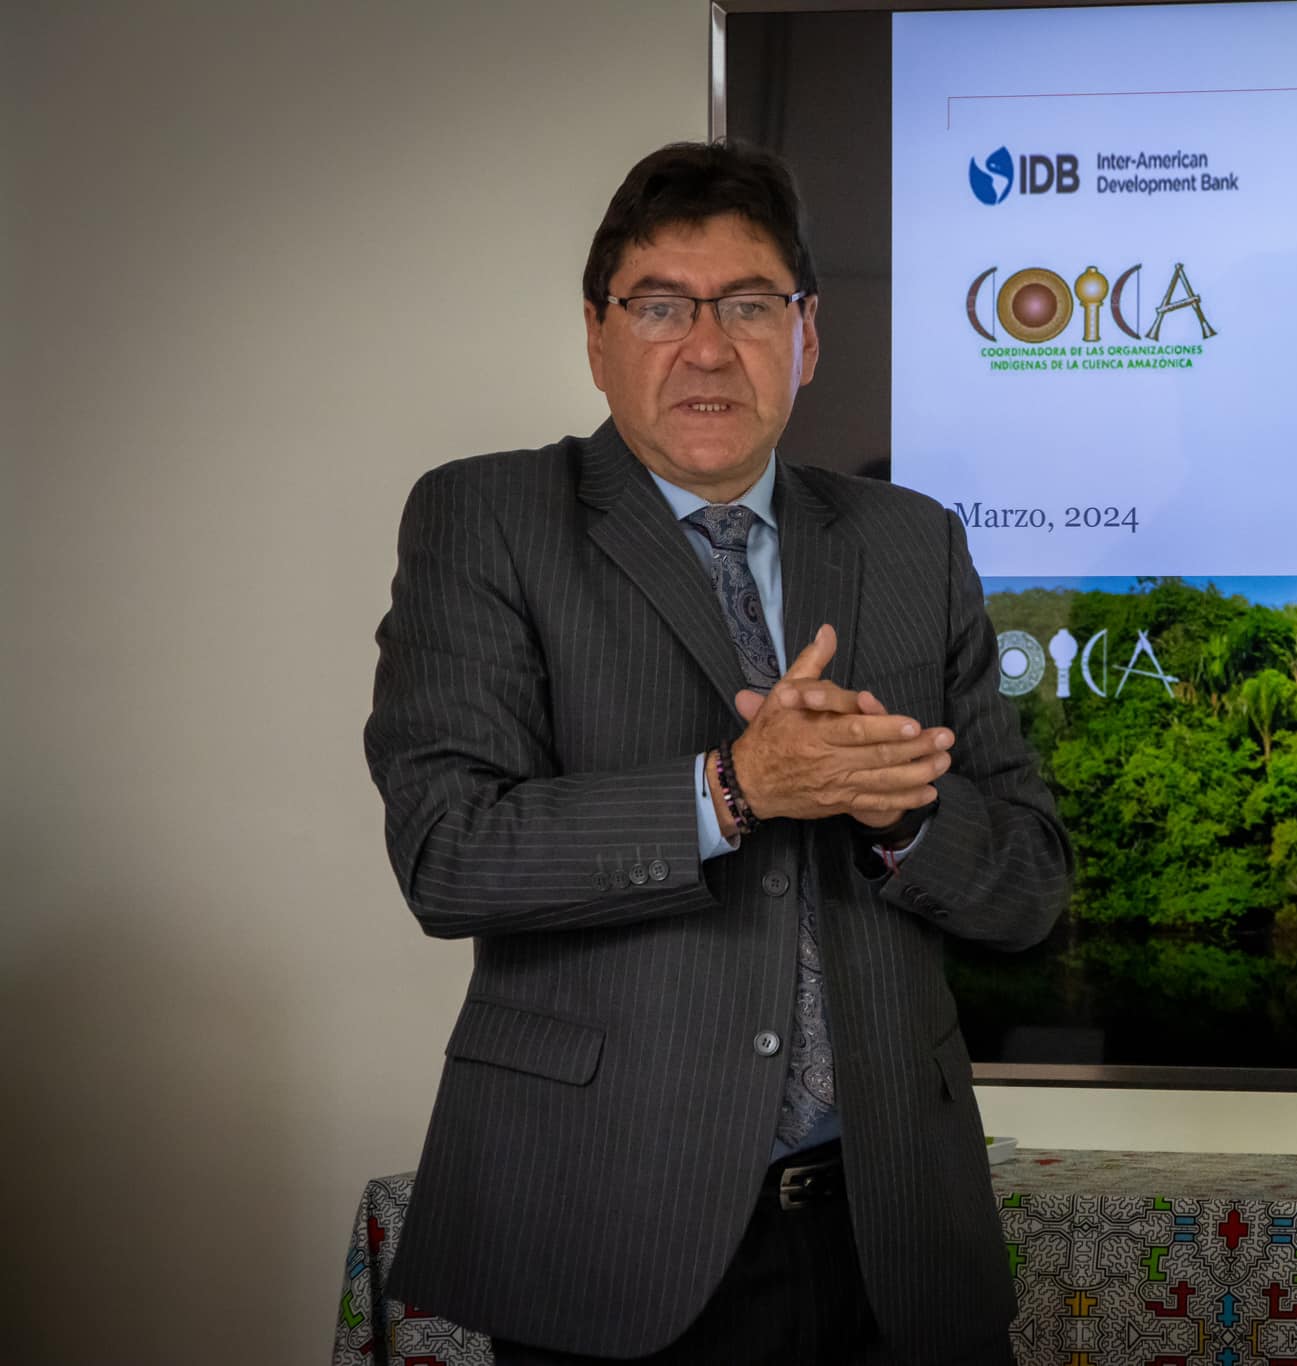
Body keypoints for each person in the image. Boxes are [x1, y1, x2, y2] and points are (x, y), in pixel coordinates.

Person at [364, 140, 1070, 1366]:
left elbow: (1028, 886)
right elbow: (448, 853)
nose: (706, 346)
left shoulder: (911, 543)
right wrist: (735, 789)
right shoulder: (486, 518)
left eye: (748, 305)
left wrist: (897, 812)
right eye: (659, 307)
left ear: (806, 335)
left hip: (894, 1235)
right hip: (607, 1225)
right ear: (597, 335)